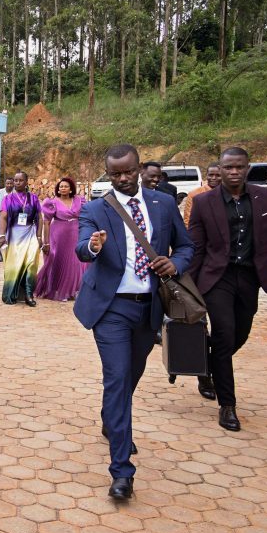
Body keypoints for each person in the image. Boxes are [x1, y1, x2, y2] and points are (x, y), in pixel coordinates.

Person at [74, 144, 193, 501]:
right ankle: (122, 471)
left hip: (149, 308)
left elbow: (187, 247)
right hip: (111, 310)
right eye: (115, 174)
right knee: (117, 377)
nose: (123, 179)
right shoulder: (96, 209)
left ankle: (112, 418)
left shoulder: (163, 204)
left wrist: (176, 264)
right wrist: (93, 246)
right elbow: (82, 247)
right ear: (107, 174)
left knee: (130, 376)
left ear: (140, 168)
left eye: (128, 172)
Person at [187, 147, 267, 429]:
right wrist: (185, 284)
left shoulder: (266, 197)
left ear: (247, 168)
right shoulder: (204, 203)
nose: (234, 172)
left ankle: (205, 364)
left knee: (240, 333)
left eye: (239, 167)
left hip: (250, 278)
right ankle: (228, 405)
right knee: (224, 333)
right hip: (216, 279)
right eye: (228, 167)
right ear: (219, 170)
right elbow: (196, 248)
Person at [34, 177, 86, 302]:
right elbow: (46, 222)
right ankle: (59, 291)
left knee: (75, 262)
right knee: (57, 259)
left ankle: (73, 290)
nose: (63, 188)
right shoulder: (52, 202)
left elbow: (86, 217)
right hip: (58, 234)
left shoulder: (79, 200)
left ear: (71, 188)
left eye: (66, 186)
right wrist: (46, 242)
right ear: (58, 189)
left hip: (75, 233)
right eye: (61, 186)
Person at [0, 172, 42, 306]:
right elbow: (3, 217)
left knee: (31, 263)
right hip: (14, 235)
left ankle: (29, 295)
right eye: (15, 180)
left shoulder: (33, 198)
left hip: (30, 232)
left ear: (26, 182)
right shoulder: (7, 199)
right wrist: (1, 235)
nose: (17, 183)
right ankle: (11, 293)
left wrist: (39, 236)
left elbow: (39, 218)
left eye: (20, 180)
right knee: (14, 265)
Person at [181, 163, 221, 227]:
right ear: (206, 176)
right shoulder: (194, 194)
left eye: (218, 175)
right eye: (211, 175)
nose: (214, 178)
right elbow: (188, 220)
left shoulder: (228, 193)